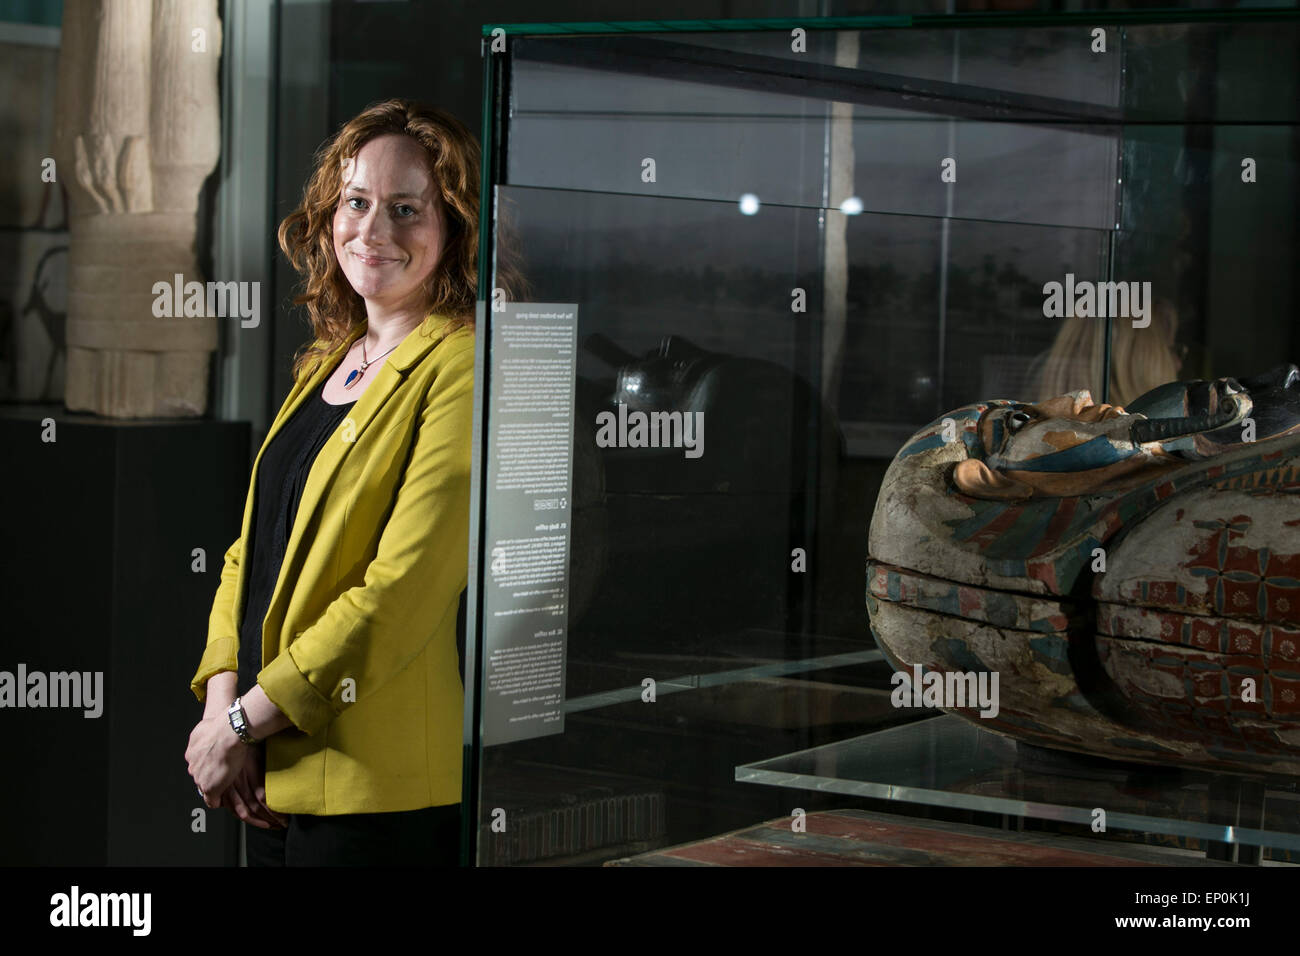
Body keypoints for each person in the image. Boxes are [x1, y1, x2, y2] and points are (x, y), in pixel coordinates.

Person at [184, 99, 485, 866]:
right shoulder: (331, 357)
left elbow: (399, 593)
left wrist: (245, 722)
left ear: (452, 231)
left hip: (376, 792)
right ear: (328, 217)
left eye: (407, 210)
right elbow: (249, 556)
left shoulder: (464, 366)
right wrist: (224, 707)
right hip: (272, 772)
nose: (373, 230)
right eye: (356, 202)